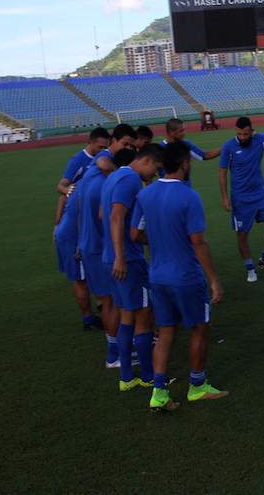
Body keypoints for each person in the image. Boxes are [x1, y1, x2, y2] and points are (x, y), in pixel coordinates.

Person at [130, 142, 227, 411]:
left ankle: (159, 394)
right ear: (185, 163)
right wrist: (214, 280)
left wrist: (160, 243)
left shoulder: (146, 195)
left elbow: (134, 234)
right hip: (185, 276)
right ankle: (197, 386)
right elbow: (197, 242)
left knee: (165, 333)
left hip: (157, 275)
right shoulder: (188, 196)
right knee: (200, 328)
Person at [102, 144, 164, 391]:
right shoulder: (130, 181)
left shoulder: (115, 176)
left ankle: (127, 377)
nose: (154, 175)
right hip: (128, 259)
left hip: (113, 256)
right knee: (143, 315)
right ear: (147, 161)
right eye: (156, 169)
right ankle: (149, 377)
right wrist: (121, 255)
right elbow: (116, 216)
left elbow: (102, 214)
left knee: (127, 315)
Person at [77, 134, 137, 368]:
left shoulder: (98, 173)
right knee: (110, 301)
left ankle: (119, 349)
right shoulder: (108, 172)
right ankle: (114, 355)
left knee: (111, 300)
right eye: (126, 143)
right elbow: (108, 216)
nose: (129, 147)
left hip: (91, 244)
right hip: (98, 247)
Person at [53, 127, 110, 329]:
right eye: (100, 146)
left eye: (106, 146)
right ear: (91, 142)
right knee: (80, 277)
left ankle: (101, 304)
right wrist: (72, 193)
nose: (103, 150)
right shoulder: (79, 160)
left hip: (84, 223)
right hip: (74, 225)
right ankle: (88, 318)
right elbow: (61, 185)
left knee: (92, 269)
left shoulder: (103, 160)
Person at [218, 116, 264, 283]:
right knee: (243, 234)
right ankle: (250, 268)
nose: (243, 137)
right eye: (240, 134)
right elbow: (222, 171)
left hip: (261, 194)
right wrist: (225, 197)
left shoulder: (260, 139)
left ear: (252, 131)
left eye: (246, 134)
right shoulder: (228, 147)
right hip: (240, 198)